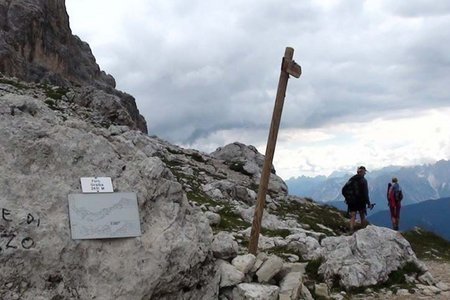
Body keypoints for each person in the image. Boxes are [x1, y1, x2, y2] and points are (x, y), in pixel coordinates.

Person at [346, 166, 372, 233]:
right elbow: (366, 193)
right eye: (364, 172)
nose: (365, 173)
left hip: (351, 201)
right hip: (361, 201)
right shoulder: (364, 180)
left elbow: (345, 189)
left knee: (352, 216)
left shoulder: (352, 179)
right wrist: (368, 203)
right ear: (362, 172)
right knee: (362, 215)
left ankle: (351, 229)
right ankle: (363, 231)